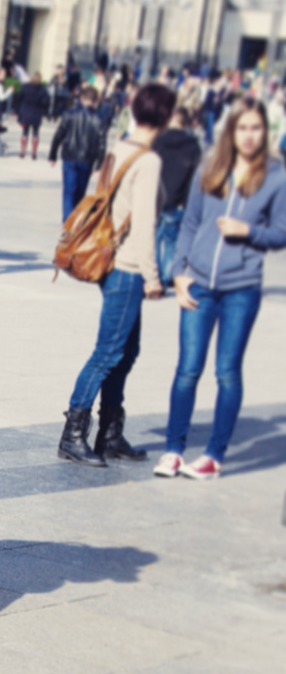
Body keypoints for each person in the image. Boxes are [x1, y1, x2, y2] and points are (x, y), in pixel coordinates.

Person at [154, 96, 286, 480]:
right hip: (198, 282)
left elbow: (281, 233)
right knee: (187, 369)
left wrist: (249, 231)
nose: (249, 135)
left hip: (241, 288)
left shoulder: (275, 176)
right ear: (232, 130)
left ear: (265, 132)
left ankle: (213, 454)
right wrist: (178, 272)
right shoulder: (210, 168)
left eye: (256, 128)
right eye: (242, 128)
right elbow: (190, 224)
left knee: (227, 372)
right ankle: (174, 450)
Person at [57, 83, 176, 467]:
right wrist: (153, 276)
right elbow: (144, 224)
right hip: (126, 267)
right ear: (166, 116)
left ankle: (110, 431)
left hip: (112, 264)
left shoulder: (119, 147)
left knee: (126, 349)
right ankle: (73, 434)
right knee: (108, 352)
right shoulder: (148, 160)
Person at [153, 107, 203, 291]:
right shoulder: (192, 144)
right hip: (177, 199)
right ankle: (168, 274)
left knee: (154, 238)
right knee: (172, 240)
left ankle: (155, 274)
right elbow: (194, 176)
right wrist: (188, 201)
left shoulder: (158, 140)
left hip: (156, 197)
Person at [49, 86, 107, 222]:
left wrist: (52, 155)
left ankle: (67, 223)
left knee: (69, 192)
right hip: (87, 159)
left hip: (69, 156)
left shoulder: (69, 114)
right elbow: (102, 144)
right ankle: (75, 222)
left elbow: (58, 135)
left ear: (81, 99)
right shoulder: (99, 119)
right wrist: (99, 165)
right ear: (95, 102)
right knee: (80, 194)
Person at [16, 71, 50, 159]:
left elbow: (19, 98)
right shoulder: (43, 89)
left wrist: (17, 111)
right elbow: (46, 101)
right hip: (36, 112)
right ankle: (34, 153)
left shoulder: (25, 87)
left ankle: (22, 152)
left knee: (25, 131)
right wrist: (44, 111)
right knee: (36, 133)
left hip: (25, 111)